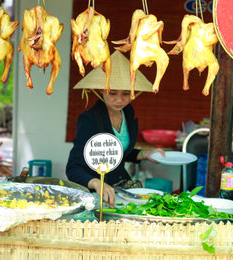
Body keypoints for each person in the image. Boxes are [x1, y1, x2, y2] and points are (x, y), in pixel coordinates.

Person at [66, 51, 165, 207]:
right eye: (112, 93)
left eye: (126, 93)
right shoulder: (89, 119)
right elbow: (73, 168)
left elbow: (116, 151)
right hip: (95, 196)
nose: (120, 100)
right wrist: (97, 183)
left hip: (121, 190)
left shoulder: (128, 112)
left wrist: (145, 154)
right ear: (102, 89)